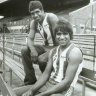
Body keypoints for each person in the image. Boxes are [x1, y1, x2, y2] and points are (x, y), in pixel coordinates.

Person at [14, 19, 83, 96]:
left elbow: (66, 82)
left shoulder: (74, 52)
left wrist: (43, 94)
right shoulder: (53, 51)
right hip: (48, 85)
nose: (62, 37)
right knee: (13, 93)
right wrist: (32, 90)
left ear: (70, 35)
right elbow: (45, 74)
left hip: (63, 90)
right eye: (59, 34)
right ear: (55, 35)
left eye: (65, 34)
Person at [21, 0, 59, 85]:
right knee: (24, 50)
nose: (35, 15)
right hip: (46, 46)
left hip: (57, 47)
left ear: (42, 10)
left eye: (37, 12)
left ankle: (48, 81)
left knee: (41, 59)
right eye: (32, 13)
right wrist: (33, 50)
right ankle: (30, 80)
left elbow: (60, 39)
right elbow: (30, 39)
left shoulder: (51, 17)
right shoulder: (33, 23)